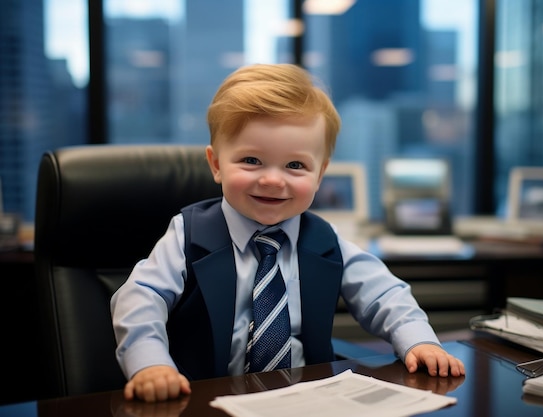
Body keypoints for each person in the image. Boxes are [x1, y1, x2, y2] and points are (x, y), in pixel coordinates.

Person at [111, 63, 465, 403]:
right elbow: (140, 298)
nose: (272, 179)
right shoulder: (189, 233)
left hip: (307, 400)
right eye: (251, 160)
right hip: (205, 400)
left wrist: (419, 342)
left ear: (320, 174)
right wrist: (150, 363)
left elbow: (384, 294)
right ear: (216, 164)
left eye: (295, 165)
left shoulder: (325, 239)